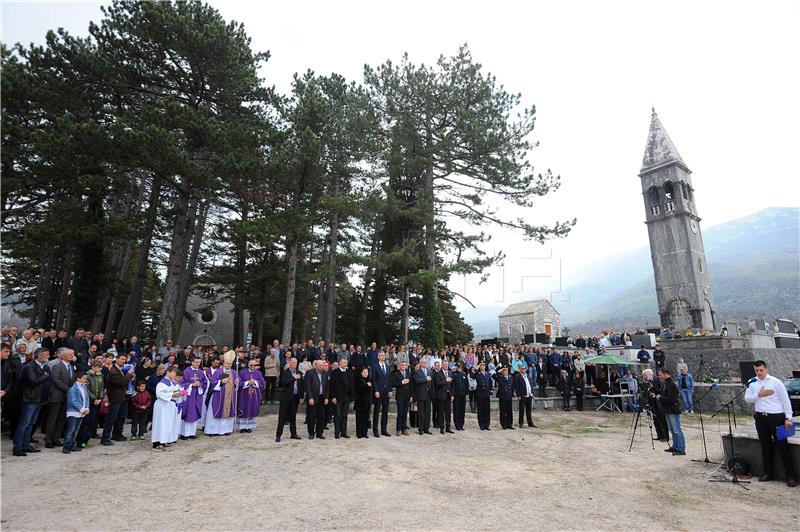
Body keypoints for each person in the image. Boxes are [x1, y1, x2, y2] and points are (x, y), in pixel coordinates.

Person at [744, 360, 797, 487]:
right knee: (765, 446)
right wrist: (759, 395)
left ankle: (790, 476)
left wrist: (789, 418)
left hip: (776, 417)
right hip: (761, 418)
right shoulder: (752, 382)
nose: (759, 373)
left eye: (761, 370)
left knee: (783, 446)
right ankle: (768, 472)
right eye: (756, 370)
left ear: (766, 369)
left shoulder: (776, 382)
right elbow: (747, 399)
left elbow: (785, 400)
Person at [12, 347, 51, 456]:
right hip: (29, 399)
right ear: (39, 356)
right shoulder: (29, 366)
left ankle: (26, 444)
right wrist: (46, 375)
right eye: (46, 355)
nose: (48, 357)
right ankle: (18, 447)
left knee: (31, 423)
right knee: (24, 423)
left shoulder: (43, 366)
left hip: (39, 399)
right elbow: (33, 381)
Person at [101, 353, 136, 445]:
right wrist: (129, 374)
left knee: (121, 417)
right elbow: (120, 382)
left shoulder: (121, 369)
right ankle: (105, 438)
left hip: (123, 396)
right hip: (115, 397)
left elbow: (124, 381)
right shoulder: (113, 370)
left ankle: (117, 434)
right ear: (116, 359)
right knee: (111, 418)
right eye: (122, 359)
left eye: (125, 359)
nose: (123, 361)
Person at [45, 347, 75, 448]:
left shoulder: (71, 366)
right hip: (57, 395)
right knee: (52, 418)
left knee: (61, 418)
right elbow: (56, 380)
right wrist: (69, 390)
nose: (72, 356)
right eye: (70, 354)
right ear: (62, 356)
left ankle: (56, 438)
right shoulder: (57, 366)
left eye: (72, 354)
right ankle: (48, 439)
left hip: (67, 396)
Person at [204, 357, 240, 436]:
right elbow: (213, 382)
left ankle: (226, 430)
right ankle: (212, 431)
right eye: (227, 363)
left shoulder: (234, 372)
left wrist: (237, 382)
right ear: (223, 363)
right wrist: (220, 382)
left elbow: (237, 384)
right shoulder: (219, 371)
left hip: (230, 396)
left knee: (228, 412)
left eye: (230, 363)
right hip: (218, 396)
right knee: (215, 412)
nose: (229, 365)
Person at [152, 366, 183, 449]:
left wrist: (181, 393)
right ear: (168, 372)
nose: (175, 375)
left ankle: (165, 440)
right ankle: (157, 442)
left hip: (171, 404)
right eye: (173, 373)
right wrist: (173, 394)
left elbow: (180, 390)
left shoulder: (173, 382)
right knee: (161, 423)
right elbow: (159, 394)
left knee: (168, 423)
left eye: (175, 373)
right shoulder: (162, 383)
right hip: (162, 404)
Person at [656, 368, 685, 455]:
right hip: (668, 410)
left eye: (660, 375)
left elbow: (672, 399)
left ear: (665, 374)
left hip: (672, 410)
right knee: (672, 430)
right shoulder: (666, 383)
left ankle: (681, 449)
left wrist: (660, 398)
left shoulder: (672, 384)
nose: (659, 377)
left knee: (677, 430)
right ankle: (675, 447)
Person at [275, 357, 303, 442]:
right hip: (286, 398)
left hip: (295, 398)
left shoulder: (299, 373)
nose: (295, 364)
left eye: (296, 362)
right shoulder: (285, 372)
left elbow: (301, 386)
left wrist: (301, 397)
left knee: (293, 417)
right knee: (282, 417)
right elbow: (284, 383)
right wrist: (293, 378)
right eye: (293, 362)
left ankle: (293, 434)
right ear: (289, 363)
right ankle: (278, 435)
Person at [63, 371, 90, 453]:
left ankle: (72, 445)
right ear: (78, 378)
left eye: (86, 378)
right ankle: (67, 446)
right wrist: (82, 409)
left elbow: (86, 398)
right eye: (84, 378)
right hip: (73, 412)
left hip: (81, 412)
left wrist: (87, 408)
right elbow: (73, 401)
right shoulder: (73, 389)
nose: (85, 380)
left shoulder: (84, 387)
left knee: (76, 430)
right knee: (71, 429)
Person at [180, 355, 207, 438]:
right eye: (196, 362)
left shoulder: (201, 372)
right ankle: (184, 434)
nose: (198, 364)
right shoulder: (186, 371)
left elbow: (205, 383)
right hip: (188, 396)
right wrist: (191, 385)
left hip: (197, 396)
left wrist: (200, 384)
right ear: (192, 362)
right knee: (187, 413)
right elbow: (181, 383)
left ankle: (192, 433)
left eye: (199, 362)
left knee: (194, 413)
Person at [330, 355, 354, 439]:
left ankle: (344, 432)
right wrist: (333, 397)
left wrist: (351, 397)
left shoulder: (349, 372)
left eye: (346, 362)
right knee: (338, 415)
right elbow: (331, 386)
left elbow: (351, 385)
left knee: (345, 415)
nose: (345, 364)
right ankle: (337, 433)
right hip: (338, 398)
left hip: (346, 398)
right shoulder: (335, 372)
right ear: (339, 363)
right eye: (344, 362)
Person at [303, 359, 329, 440]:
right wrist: (310, 397)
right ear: (316, 365)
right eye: (320, 365)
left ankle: (319, 433)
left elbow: (327, 387)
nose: (322, 367)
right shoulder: (310, 373)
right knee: (311, 417)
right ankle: (311, 433)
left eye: (323, 365)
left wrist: (326, 397)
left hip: (322, 398)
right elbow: (308, 386)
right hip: (313, 398)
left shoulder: (325, 373)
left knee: (321, 417)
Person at [237, 359, 265, 433]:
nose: (253, 366)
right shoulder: (242, 372)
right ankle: (242, 427)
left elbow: (262, 382)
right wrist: (248, 383)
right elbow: (239, 382)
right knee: (245, 408)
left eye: (254, 365)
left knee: (252, 409)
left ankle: (249, 427)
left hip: (254, 396)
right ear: (248, 365)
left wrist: (255, 382)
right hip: (244, 395)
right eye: (251, 365)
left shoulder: (258, 373)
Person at [641, 368, 669, 442]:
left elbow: (661, 391)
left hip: (659, 403)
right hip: (652, 403)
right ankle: (659, 435)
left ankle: (665, 436)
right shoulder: (647, 382)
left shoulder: (658, 380)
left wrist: (655, 393)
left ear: (650, 374)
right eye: (644, 375)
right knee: (655, 420)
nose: (644, 377)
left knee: (662, 420)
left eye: (645, 375)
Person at [370, 350, 392, 437]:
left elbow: (389, 379)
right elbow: (374, 380)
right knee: (376, 411)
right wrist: (376, 390)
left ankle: (384, 430)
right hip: (378, 392)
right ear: (378, 357)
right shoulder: (374, 366)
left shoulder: (387, 366)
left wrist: (390, 390)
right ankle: (375, 430)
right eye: (381, 355)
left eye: (384, 355)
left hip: (386, 392)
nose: (383, 356)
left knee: (385, 412)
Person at [389, 360, 412, 436]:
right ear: (399, 366)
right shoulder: (396, 374)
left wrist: (411, 396)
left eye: (404, 365)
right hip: (400, 396)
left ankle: (404, 429)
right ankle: (398, 429)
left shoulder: (408, 373)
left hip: (407, 396)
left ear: (406, 366)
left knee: (405, 413)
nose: (403, 366)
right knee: (400, 413)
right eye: (402, 365)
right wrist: (402, 382)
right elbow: (393, 384)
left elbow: (411, 385)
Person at [432, 360, 453, 434]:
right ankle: (442, 428)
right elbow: (437, 383)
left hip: (448, 395)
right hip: (441, 396)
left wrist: (452, 394)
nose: (446, 366)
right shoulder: (439, 373)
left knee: (448, 412)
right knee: (441, 413)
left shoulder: (450, 373)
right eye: (445, 365)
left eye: (447, 364)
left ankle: (448, 427)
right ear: (442, 365)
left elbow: (452, 385)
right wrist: (445, 380)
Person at [413, 359, 433, 435]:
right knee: (421, 412)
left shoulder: (430, 371)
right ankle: (420, 429)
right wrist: (425, 379)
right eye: (424, 362)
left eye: (426, 362)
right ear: (421, 363)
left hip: (428, 394)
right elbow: (417, 381)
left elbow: (432, 383)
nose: (425, 363)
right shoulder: (416, 372)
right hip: (420, 394)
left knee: (428, 412)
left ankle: (426, 428)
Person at [513, 363, 536, 427]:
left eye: (525, 369)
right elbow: (516, 387)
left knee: (529, 410)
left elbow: (530, 385)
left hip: (529, 395)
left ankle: (530, 423)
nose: (524, 370)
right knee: (522, 410)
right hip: (523, 395)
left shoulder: (527, 375)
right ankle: (521, 423)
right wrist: (518, 395)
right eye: (522, 369)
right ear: (520, 369)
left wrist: (532, 393)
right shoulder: (517, 376)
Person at [354, 368, 372, 439]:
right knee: (359, 418)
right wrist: (366, 385)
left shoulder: (369, 379)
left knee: (365, 418)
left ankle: (365, 433)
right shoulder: (358, 379)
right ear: (361, 373)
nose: (366, 373)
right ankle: (359, 433)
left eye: (367, 372)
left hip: (367, 402)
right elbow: (358, 388)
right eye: (364, 372)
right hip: (360, 402)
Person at [474, 363, 493, 430]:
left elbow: (490, 383)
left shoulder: (488, 374)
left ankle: (487, 424)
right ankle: (481, 424)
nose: (483, 367)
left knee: (487, 410)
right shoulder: (478, 374)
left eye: (484, 365)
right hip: (480, 394)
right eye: (481, 365)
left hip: (486, 394)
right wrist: (476, 369)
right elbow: (472, 376)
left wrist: (490, 390)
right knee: (481, 410)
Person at [451, 363, 468, 431]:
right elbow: (452, 385)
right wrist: (453, 394)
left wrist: (466, 393)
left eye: (460, 367)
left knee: (462, 410)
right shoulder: (453, 374)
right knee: (456, 410)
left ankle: (461, 424)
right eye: (458, 367)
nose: (459, 368)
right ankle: (457, 424)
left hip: (463, 395)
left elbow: (467, 384)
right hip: (456, 395)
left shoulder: (464, 374)